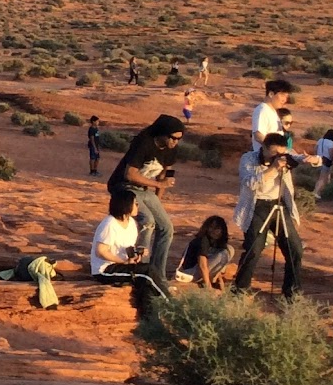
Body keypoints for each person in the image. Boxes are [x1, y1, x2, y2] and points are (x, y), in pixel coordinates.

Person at [106, 114, 187, 288]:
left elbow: (166, 173)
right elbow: (130, 174)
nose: (176, 142)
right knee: (147, 220)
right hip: (124, 187)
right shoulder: (144, 142)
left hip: (144, 190)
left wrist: (157, 200)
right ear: (163, 134)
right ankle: (141, 271)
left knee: (166, 227)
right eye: (173, 138)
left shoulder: (171, 148)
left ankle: (158, 275)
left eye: (179, 139)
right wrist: (158, 184)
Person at [233, 132, 304, 299]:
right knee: (253, 249)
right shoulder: (248, 159)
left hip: (279, 204)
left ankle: (292, 292)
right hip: (257, 206)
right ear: (263, 148)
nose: (278, 157)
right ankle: (240, 289)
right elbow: (249, 183)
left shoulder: (285, 156)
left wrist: (313, 160)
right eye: (274, 154)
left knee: (295, 249)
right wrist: (273, 169)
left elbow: (301, 159)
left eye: (281, 153)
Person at [90, 189, 166, 298]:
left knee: (147, 279)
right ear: (125, 205)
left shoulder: (131, 223)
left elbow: (127, 248)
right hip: (105, 270)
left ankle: (151, 311)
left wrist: (137, 254)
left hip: (122, 265)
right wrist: (124, 262)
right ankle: (169, 303)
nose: (137, 206)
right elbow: (101, 251)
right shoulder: (109, 224)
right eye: (135, 203)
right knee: (147, 271)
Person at [174, 215, 231, 288]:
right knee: (224, 254)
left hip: (196, 272)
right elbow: (202, 264)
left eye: (217, 228)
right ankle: (206, 281)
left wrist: (220, 280)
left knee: (229, 249)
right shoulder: (203, 240)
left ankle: (213, 278)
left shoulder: (216, 241)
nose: (213, 231)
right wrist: (208, 287)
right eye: (211, 227)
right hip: (188, 274)